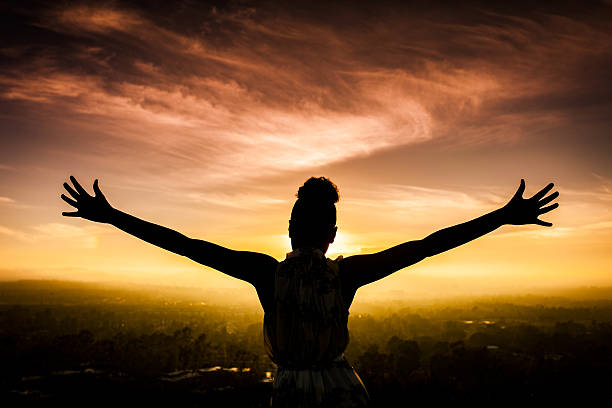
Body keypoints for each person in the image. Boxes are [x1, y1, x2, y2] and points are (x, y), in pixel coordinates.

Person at [60, 175, 559, 407]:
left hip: (303, 396)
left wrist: (112, 217)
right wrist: (501, 218)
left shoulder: (266, 272)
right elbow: (428, 245)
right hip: (343, 393)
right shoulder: (344, 276)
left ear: (292, 227)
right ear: (331, 235)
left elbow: (185, 245)